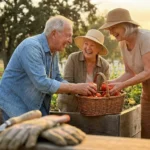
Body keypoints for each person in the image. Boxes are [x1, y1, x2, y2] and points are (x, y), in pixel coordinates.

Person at [0, 15, 97, 121]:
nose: (70, 41)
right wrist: (75, 87)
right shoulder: (31, 47)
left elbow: (57, 78)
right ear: (54, 33)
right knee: (19, 136)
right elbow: (41, 83)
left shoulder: (54, 51)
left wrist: (79, 90)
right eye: (68, 36)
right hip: (13, 106)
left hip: (31, 108)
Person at [100, 8, 150, 139]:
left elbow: (148, 72)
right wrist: (109, 83)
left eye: (113, 27)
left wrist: (122, 86)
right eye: (109, 29)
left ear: (126, 25)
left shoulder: (146, 38)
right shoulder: (123, 43)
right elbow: (129, 73)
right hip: (148, 91)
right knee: (146, 132)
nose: (110, 32)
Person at [57, 29, 110, 112]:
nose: (88, 48)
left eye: (92, 45)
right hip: (69, 107)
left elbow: (103, 90)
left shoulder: (104, 66)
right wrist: (80, 88)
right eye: (86, 44)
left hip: (92, 109)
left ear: (99, 49)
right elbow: (66, 82)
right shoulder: (73, 58)